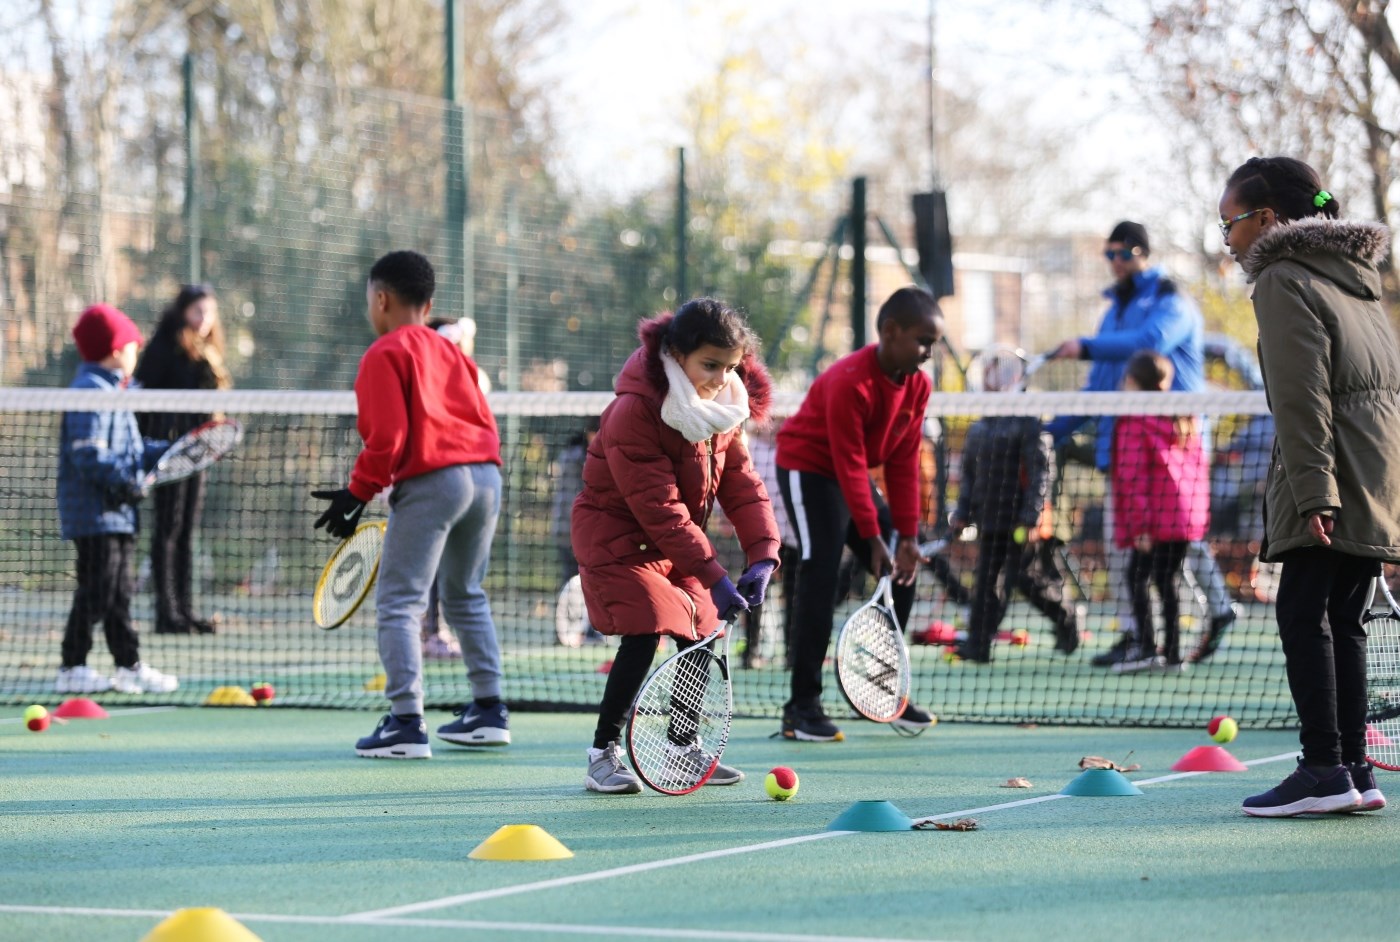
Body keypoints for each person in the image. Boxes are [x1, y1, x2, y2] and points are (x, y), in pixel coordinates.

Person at [1219, 155, 1398, 816]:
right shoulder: (1358, 280)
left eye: (1230, 224)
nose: (1228, 241)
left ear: (1266, 220)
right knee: (1345, 620)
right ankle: (1355, 769)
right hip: (1374, 473)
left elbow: (1301, 397)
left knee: (1301, 614)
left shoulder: (1282, 277)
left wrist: (1316, 490)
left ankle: (1323, 770)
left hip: (1325, 473)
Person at [572, 298, 780, 793]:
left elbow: (743, 485)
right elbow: (660, 510)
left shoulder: (725, 408)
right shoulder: (634, 411)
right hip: (614, 538)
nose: (721, 377)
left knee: (704, 628)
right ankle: (602, 754)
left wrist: (763, 555)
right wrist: (714, 574)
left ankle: (681, 748)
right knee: (645, 627)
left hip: (670, 544)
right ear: (675, 354)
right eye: (710, 365)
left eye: (731, 366)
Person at [311, 251, 509, 759]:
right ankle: (489, 712)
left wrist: (357, 493)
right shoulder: (456, 354)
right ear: (429, 303)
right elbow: (484, 423)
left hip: (435, 482)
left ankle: (405, 722)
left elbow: (389, 438)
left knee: (399, 602)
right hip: (487, 477)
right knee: (466, 593)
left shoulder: (385, 352)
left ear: (381, 299)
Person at [1046, 221, 1236, 668]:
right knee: (1152, 546)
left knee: (1175, 538)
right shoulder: (1113, 310)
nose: (1114, 263)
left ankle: (1169, 628)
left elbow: (1148, 344)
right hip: (1129, 442)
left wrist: (1087, 346)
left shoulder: (1173, 300)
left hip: (1176, 446)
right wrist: (1050, 429)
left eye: (1121, 253)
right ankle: (1154, 632)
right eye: (1107, 255)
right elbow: (1101, 387)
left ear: (1140, 252)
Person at [774, 286, 942, 741]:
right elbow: (848, 463)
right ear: (890, 332)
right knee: (821, 571)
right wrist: (870, 537)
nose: (928, 352)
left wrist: (905, 536)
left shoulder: (918, 385)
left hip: (849, 474)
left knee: (903, 571)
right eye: (922, 341)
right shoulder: (851, 380)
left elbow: (904, 461)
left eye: (933, 343)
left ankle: (885, 691)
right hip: (808, 467)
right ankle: (801, 706)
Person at [56, 303, 179, 695]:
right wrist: (127, 482)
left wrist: (171, 449)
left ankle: (128, 665)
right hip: (93, 516)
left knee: (119, 593)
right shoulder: (90, 392)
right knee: (97, 589)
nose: (136, 353)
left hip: (118, 515)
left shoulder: (115, 391)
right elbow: (88, 453)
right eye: (132, 346)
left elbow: (133, 449)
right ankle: (71, 666)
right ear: (114, 349)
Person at [949, 348, 1079, 662]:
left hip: (1021, 521)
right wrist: (963, 511)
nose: (990, 376)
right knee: (987, 580)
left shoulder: (1028, 419)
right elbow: (970, 475)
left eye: (998, 370)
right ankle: (979, 644)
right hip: (989, 518)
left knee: (1025, 577)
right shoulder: (980, 426)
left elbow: (1040, 472)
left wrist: (1031, 516)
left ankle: (1067, 618)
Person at [133, 284, 231, 635]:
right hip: (168, 453)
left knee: (186, 532)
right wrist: (153, 448)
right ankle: (166, 613)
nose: (204, 319)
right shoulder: (163, 348)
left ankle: (185, 611)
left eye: (209, 312)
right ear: (182, 312)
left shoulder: (209, 351)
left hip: (197, 453)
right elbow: (140, 395)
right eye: (197, 311)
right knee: (167, 530)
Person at [1109, 351, 1209, 674]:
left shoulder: (1135, 420)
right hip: (1182, 516)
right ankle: (1174, 654)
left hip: (1155, 520)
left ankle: (1148, 648)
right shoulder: (1183, 415)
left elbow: (1132, 476)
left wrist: (1140, 526)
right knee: (1167, 580)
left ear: (1133, 382)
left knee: (1136, 577)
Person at [549, 415, 604, 645]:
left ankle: (589, 630)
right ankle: (568, 632)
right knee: (575, 580)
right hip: (571, 531)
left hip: (577, 531)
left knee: (589, 581)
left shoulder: (575, 455)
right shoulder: (578, 459)